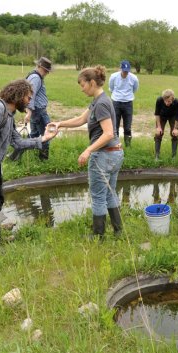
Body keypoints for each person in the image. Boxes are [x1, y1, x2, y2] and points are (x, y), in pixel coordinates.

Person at [0, 79, 57, 255]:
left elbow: (18, 142)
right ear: (19, 94)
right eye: (29, 97)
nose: (30, 101)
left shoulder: (8, 114)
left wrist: (43, 139)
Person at [53, 66, 124, 240]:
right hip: (114, 154)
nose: (81, 88)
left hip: (104, 156)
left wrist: (88, 150)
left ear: (92, 83)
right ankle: (118, 231)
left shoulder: (101, 104)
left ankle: (98, 236)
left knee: (99, 196)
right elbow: (81, 119)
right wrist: (59, 124)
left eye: (83, 84)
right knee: (110, 193)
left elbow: (108, 133)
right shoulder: (98, 101)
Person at [8, 57, 53, 161]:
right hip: (39, 111)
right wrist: (29, 112)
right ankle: (44, 160)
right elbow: (30, 95)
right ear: (39, 67)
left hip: (36, 111)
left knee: (33, 136)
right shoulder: (36, 78)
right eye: (46, 70)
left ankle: (15, 155)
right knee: (47, 135)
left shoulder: (34, 76)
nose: (47, 73)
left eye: (48, 71)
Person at [109, 60, 139, 147]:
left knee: (127, 127)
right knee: (115, 126)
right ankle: (116, 145)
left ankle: (128, 145)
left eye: (127, 71)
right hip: (116, 103)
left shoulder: (134, 78)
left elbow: (135, 89)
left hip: (128, 103)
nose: (125, 73)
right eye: (124, 70)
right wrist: (117, 96)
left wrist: (127, 96)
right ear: (120, 69)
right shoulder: (113, 77)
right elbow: (111, 88)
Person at [154, 89, 178, 160]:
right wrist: (159, 127)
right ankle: (157, 156)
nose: (166, 103)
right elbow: (157, 114)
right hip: (162, 116)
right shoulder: (159, 100)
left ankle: (174, 156)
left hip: (173, 117)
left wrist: (175, 128)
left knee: (175, 134)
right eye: (165, 101)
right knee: (158, 133)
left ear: (172, 98)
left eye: (169, 101)